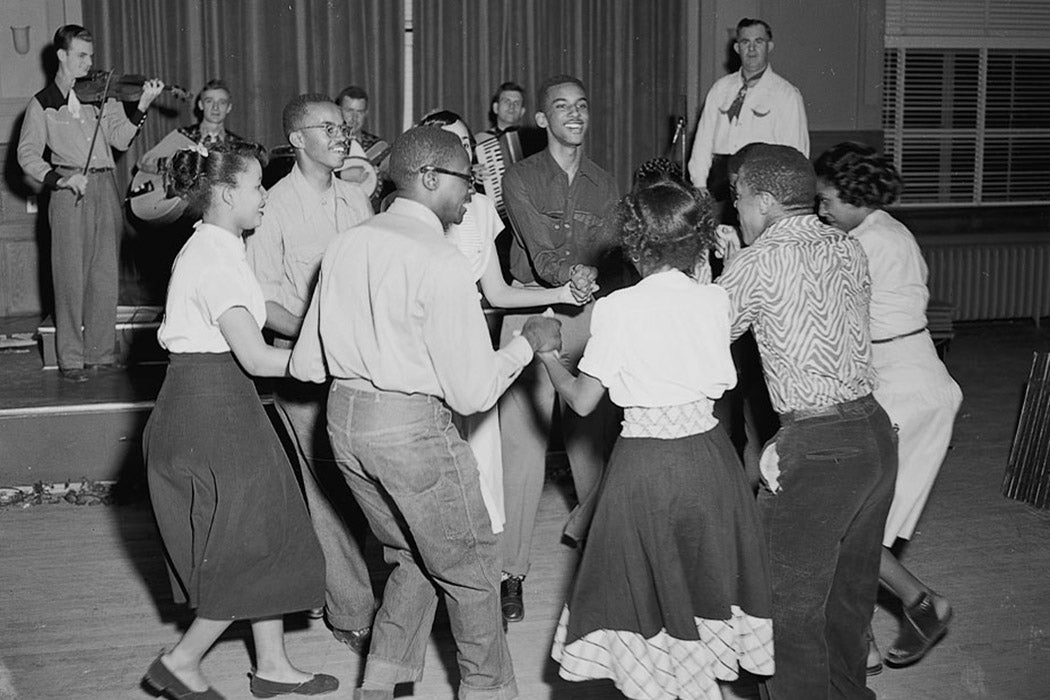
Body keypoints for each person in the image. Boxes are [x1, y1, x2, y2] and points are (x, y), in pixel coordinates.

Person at [288, 125, 562, 700]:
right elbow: (472, 394)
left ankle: (383, 685)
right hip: (409, 430)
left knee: (412, 555)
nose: (475, 192)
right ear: (431, 177)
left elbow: (308, 365)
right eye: (468, 178)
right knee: (472, 570)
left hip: (344, 423)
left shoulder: (347, 243)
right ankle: (490, 693)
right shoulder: (439, 260)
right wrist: (527, 342)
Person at [541, 171, 775, 700]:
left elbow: (581, 401)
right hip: (710, 461)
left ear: (633, 242)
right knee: (702, 581)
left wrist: (549, 358)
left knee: (643, 589)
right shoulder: (715, 301)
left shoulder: (619, 308)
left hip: (645, 467)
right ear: (697, 240)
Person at [141, 141, 337, 699]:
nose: (264, 198)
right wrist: (329, 364)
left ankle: (271, 664)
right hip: (212, 406)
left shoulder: (221, 247)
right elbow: (254, 356)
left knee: (267, 526)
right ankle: (181, 661)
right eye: (256, 187)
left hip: (222, 403)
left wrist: (313, 330)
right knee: (247, 538)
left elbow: (260, 311)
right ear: (227, 194)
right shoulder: (213, 258)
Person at [717, 143, 897, 700]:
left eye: (739, 200)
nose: (736, 215)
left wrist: (724, 272)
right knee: (847, 604)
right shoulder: (847, 244)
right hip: (874, 434)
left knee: (781, 618)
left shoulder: (757, 260)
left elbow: (702, 341)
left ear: (766, 201)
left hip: (818, 445)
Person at [815, 142, 962, 672]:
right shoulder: (890, 231)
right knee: (859, 526)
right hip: (923, 382)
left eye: (827, 200)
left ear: (853, 197)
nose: (822, 209)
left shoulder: (865, 244)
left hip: (902, 388)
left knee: (844, 522)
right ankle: (889, 627)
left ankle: (908, 612)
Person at [497, 74, 633, 624]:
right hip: (530, 308)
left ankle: (599, 549)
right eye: (561, 107)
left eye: (581, 106)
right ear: (542, 120)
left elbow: (609, 248)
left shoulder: (605, 183)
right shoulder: (519, 177)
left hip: (588, 313)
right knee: (521, 448)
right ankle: (511, 572)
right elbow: (537, 243)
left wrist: (588, 280)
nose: (573, 114)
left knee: (593, 438)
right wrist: (567, 276)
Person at [246, 94, 376, 655]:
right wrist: (316, 334)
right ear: (297, 139)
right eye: (329, 127)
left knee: (365, 480)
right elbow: (262, 298)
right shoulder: (271, 206)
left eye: (343, 126)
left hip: (365, 365)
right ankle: (351, 608)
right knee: (325, 488)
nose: (343, 134)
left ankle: (358, 589)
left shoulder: (358, 199)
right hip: (304, 367)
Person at [419, 109, 585, 535]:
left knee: (480, 457)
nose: (464, 152)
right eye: (452, 144)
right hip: (424, 344)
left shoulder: (477, 207)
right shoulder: (409, 209)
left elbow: (497, 293)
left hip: (472, 341)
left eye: (467, 143)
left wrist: (562, 293)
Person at [16, 24, 163, 382]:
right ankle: (70, 358)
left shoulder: (103, 95)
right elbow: (27, 154)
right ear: (62, 56)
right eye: (81, 55)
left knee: (103, 272)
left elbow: (121, 140)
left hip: (104, 185)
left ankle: (99, 353)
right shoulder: (43, 103)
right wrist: (60, 178)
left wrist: (141, 107)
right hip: (69, 189)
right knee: (68, 275)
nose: (89, 63)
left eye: (91, 56)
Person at [687, 18, 809, 205]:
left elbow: (796, 153)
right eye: (745, 42)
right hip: (719, 186)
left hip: (762, 186)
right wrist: (699, 183)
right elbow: (703, 140)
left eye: (758, 42)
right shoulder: (721, 89)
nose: (751, 49)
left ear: (769, 46)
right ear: (737, 48)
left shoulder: (786, 95)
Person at [335, 85, 391, 210]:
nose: (354, 118)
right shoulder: (328, 144)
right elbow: (312, 175)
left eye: (359, 112)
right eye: (349, 111)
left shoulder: (378, 146)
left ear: (366, 113)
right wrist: (341, 175)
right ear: (339, 110)